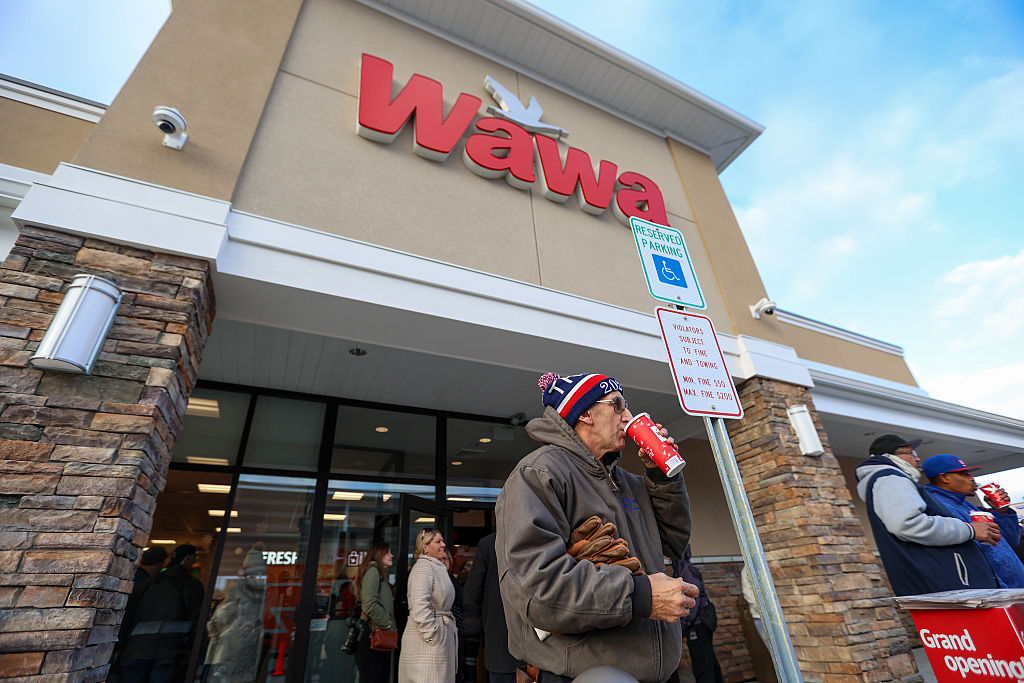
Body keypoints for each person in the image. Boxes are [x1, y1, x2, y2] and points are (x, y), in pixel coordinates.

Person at [496, 372, 697, 683]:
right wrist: (641, 596)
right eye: (617, 405)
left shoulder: (629, 482)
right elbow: (536, 588)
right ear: (585, 413)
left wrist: (662, 479)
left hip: (660, 674)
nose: (628, 415)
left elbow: (674, 543)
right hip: (579, 675)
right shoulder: (539, 474)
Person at [854, 434, 1000, 595]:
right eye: (911, 453)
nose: (917, 459)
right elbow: (907, 524)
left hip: (940, 586)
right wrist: (969, 530)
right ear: (889, 456)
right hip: (946, 587)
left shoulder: (888, 479)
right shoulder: (890, 478)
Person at [922, 454, 1024, 588]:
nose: (971, 478)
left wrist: (1001, 512)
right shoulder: (938, 506)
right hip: (1002, 592)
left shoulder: (965, 505)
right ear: (944, 477)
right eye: (964, 474)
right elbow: (979, 552)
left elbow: (1011, 541)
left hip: (1015, 588)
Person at [118, 544, 205, 682]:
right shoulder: (191, 585)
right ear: (188, 558)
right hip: (169, 653)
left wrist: (120, 647)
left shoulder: (149, 583)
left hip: (135, 651)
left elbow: (128, 614)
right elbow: (197, 621)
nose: (194, 561)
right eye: (195, 558)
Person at [399, 529, 457, 683]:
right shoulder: (424, 568)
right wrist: (432, 635)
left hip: (436, 637)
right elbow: (419, 605)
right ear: (425, 547)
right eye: (438, 541)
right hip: (427, 642)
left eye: (442, 541)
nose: (443, 545)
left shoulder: (435, 567)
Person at [204, 545, 268, 682]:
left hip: (250, 648)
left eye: (263, 574)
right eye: (256, 574)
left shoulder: (264, 595)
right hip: (232, 647)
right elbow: (219, 619)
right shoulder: (237, 591)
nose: (260, 578)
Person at [464, 532, 516, 683]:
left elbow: (472, 594)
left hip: (500, 644)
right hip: (541, 647)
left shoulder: (489, 544)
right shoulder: (541, 538)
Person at [672, 547, 723, 683]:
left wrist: (682, 627)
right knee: (709, 663)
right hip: (701, 624)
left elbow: (692, 605)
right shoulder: (687, 569)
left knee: (702, 667)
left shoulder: (685, 571)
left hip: (697, 626)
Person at [355, 543, 397, 683]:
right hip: (372, 636)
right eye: (388, 553)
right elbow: (369, 604)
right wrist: (388, 623)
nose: (391, 555)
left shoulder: (380, 575)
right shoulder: (373, 571)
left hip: (378, 636)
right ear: (379, 555)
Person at [443, 548, 470, 683]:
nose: (444, 562)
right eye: (441, 559)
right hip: (445, 630)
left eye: (447, 559)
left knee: (457, 668)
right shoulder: (438, 580)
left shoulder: (452, 580)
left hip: (457, 627)